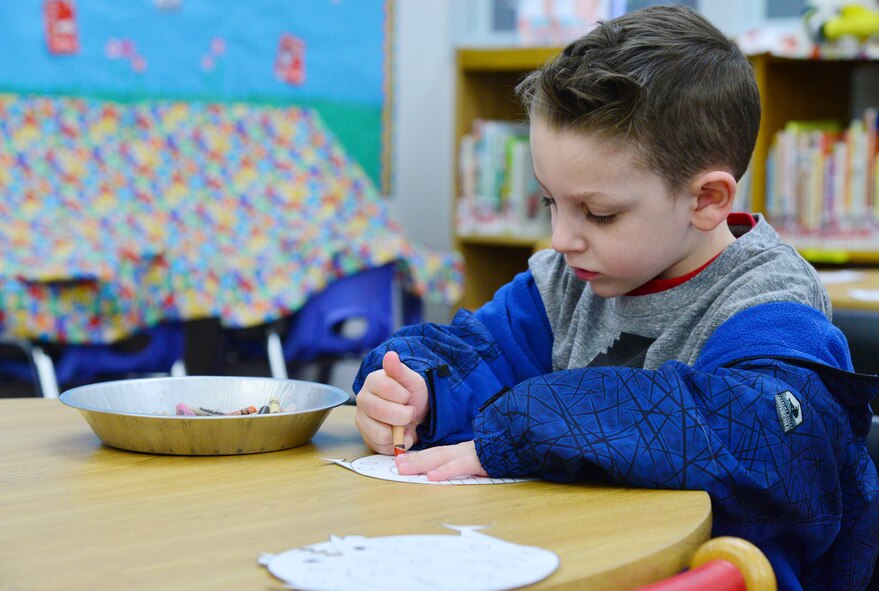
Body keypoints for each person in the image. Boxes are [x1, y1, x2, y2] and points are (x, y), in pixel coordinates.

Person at [352, 5, 879, 590]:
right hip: (579, 557)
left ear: (706, 200)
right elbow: (471, 350)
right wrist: (417, 391)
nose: (560, 239)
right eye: (552, 202)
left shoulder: (770, 303)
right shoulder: (565, 280)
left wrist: (531, 422)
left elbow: (762, 437)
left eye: (598, 214)